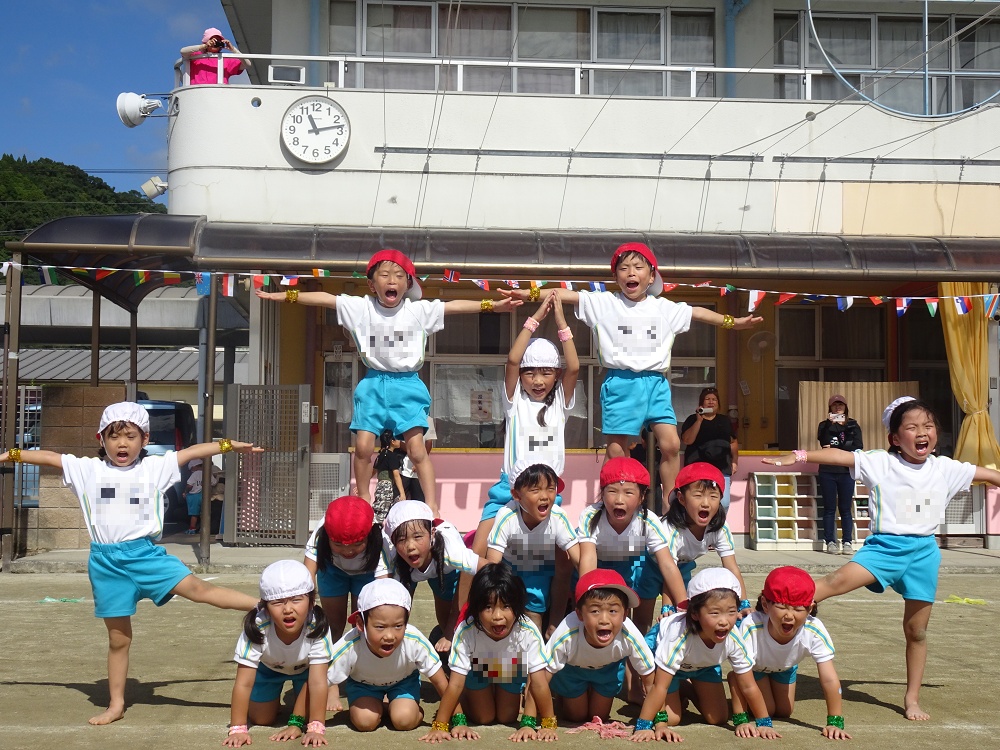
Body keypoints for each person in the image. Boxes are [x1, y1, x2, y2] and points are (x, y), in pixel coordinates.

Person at [0, 402, 262, 725]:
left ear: (145, 439)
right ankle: (116, 704)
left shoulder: (154, 468)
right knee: (118, 639)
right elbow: (50, 457)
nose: (121, 444)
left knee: (199, 590)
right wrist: (12, 454)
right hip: (105, 564)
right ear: (101, 439)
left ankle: (264, 605)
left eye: (130, 436)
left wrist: (228, 445)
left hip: (145, 557)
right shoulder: (87, 470)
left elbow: (192, 451)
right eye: (114, 437)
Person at [764, 396, 1000, 721]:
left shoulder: (946, 468)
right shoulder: (881, 463)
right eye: (912, 427)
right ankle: (765, 613)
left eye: (928, 426)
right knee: (829, 585)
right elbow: (840, 455)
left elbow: (990, 475)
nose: (922, 432)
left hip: (924, 554)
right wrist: (800, 455)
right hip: (884, 549)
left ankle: (912, 698)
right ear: (895, 438)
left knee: (917, 632)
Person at [257, 249, 520, 516]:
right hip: (373, 383)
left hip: (408, 385)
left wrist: (492, 305)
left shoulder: (417, 311)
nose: (391, 280)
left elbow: (453, 306)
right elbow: (326, 298)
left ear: (408, 284)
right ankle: (363, 496)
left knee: (417, 450)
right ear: (372, 284)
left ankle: (432, 504)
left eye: (398, 276)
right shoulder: (362, 308)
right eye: (384, 275)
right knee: (362, 448)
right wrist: (287, 296)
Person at [502, 242, 760, 496]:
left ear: (652, 276)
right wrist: (528, 294)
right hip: (621, 382)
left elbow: (698, 313)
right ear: (616, 277)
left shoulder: (663, 308)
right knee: (617, 449)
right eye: (624, 268)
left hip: (656, 383)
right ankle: (611, 497)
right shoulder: (605, 303)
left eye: (638, 267)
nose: (631, 273)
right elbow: (562, 294)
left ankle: (670, 502)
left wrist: (733, 322)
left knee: (671, 444)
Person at [468, 293, 579, 579]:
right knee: (478, 553)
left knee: (563, 559)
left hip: (547, 491)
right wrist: (536, 318)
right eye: (530, 374)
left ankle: (560, 607)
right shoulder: (514, 402)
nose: (538, 381)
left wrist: (561, 321)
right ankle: (467, 607)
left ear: (556, 375)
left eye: (546, 373)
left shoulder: (560, 404)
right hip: (509, 487)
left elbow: (574, 367)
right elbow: (512, 360)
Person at [631, 568, 780, 742]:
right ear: (694, 613)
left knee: (718, 717)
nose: (724, 621)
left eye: (731, 612)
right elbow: (659, 687)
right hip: (666, 665)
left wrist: (764, 723)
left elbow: (748, 685)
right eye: (715, 613)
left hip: (704, 666)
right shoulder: (678, 636)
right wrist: (644, 726)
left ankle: (685, 687)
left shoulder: (733, 637)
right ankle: (677, 683)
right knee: (671, 719)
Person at [420, 564, 557, 743]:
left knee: (507, 717)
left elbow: (538, 682)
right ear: (476, 608)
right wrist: (441, 725)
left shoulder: (527, 631)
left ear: (518, 606)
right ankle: (464, 697)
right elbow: (455, 684)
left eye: (506, 606)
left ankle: (504, 694)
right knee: (484, 717)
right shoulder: (466, 631)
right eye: (488, 607)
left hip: (510, 668)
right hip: (478, 668)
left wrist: (547, 724)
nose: (497, 616)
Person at [576, 456, 687, 650]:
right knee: (592, 613)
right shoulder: (590, 516)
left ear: (642, 497)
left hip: (633, 565)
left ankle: (637, 651)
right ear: (602, 493)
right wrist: (587, 596)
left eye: (628, 492)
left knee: (639, 617)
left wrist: (684, 606)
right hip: (598, 567)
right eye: (612, 491)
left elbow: (667, 564)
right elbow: (588, 557)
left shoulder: (648, 521)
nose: (619, 500)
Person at [731, 567, 850, 740]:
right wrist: (762, 722)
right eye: (782, 607)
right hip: (753, 669)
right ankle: (735, 683)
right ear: (765, 604)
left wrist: (835, 722)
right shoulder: (751, 627)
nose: (789, 615)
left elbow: (829, 679)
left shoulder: (814, 629)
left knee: (784, 711)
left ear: (810, 609)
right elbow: (744, 672)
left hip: (784, 668)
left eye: (798, 609)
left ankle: (768, 687)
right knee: (768, 709)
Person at [224, 561, 332, 748]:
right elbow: (243, 682)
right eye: (277, 602)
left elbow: (317, 681)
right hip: (268, 670)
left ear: (311, 601)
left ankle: (299, 713)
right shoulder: (257, 627)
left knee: (310, 712)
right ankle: (273, 700)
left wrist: (315, 727)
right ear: (265, 606)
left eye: (296, 600)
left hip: (307, 673)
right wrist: (238, 728)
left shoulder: (318, 626)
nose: (288, 609)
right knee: (261, 719)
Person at [326, 578, 449, 732]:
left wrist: (458, 719)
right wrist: (307, 723)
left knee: (404, 720)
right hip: (363, 686)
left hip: (403, 683)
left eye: (398, 626)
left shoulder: (414, 640)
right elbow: (318, 681)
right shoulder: (350, 645)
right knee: (365, 722)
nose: (389, 636)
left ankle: (406, 708)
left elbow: (440, 682)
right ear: (360, 623)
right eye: (380, 627)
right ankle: (381, 706)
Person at [636, 461, 750, 625]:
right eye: (698, 495)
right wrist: (667, 606)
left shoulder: (720, 527)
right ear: (681, 498)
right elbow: (668, 568)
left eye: (713, 496)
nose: (706, 503)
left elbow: (732, 567)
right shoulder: (671, 529)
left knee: (683, 611)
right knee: (644, 618)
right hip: (649, 564)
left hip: (681, 567)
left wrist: (744, 603)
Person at [303, 495, 388, 711]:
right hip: (332, 571)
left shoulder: (380, 540)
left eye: (357, 544)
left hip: (367, 573)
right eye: (338, 545)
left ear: (368, 535)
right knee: (333, 626)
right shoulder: (320, 534)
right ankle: (331, 682)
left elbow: (383, 593)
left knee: (365, 625)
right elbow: (306, 580)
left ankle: (373, 678)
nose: (348, 551)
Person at [545, 569, 655, 723]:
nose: (604, 619)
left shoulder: (630, 635)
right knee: (576, 717)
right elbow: (539, 677)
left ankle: (589, 692)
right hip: (572, 670)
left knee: (599, 717)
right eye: (595, 611)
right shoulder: (567, 633)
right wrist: (530, 722)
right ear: (579, 614)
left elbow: (651, 682)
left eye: (613, 611)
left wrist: (658, 723)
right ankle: (563, 695)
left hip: (607, 670)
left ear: (625, 614)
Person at [486, 461, 581, 632]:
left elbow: (579, 560)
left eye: (550, 489)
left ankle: (553, 628)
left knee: (533, 623)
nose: (545, 496)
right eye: (535, 490)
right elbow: (493, 564)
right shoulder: (507, 517)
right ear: (516, 495)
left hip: (539, 571)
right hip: (510, 572)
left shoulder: (557, 517)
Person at [383, 500, 482, 653]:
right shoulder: (393, 557)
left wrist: (449, 632)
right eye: (401, 540)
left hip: (446, 569)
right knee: (396, 604)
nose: (410, 546)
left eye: (417, 537)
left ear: (432, 534)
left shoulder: (451, 551)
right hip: (413, 569)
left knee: (451, 623)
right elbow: (392, 606)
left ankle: (446, 633)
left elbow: (486, 567)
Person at [816, 394, 863, 555]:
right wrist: (831, 425)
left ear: (845, 407)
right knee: (829, 508)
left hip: (846, 471)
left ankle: (847, 542)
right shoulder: (824, 425)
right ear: (830, 408)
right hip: (827, 470)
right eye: (834, 405)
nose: (837, 408)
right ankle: (830, 541)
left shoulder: (853, 425)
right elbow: (823, 443)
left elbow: (858, 445)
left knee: (845, 508)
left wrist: (840, 445)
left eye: (840, 405)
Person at [680, 386, 739, 510]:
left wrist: (734, 461)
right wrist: (698, 421)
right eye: (707, 399)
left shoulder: (725, 420)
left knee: (724, 503)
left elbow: (733, 441)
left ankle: (719, 523)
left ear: (718, 403)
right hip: (697, 468)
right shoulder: (692, 419)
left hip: (721, 468)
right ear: (701, 403)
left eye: (714, 399)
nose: (711, 402)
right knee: (697, 503)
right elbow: (687, 440)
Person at [181, 28, 251, 85]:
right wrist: (204, 46)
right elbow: (183, 51)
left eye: (218, 41)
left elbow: (247, 64)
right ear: (206, 41)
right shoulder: (196, 56)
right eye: (212, 40)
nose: (215, 43)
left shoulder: (225, 59)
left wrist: (233, 49)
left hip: (219, 93)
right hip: (199, 92)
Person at [372, 429, 405, 524]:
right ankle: (376, 529)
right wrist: (402, 493)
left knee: (379, 508)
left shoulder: (380, 455)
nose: (400, 441)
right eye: (397, 439)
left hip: (380, 485)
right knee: (383, 513)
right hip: (387, 486)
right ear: (392, 441)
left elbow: (373, 471)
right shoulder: (392, 456)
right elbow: (396, 475)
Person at [400, 418, 435, 503]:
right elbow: (397, 443)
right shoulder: (401, 416)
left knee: (419, 501)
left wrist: (420, 462)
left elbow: (429, 442)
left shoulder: (428, 419)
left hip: (418, 471)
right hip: (403, 468)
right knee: (400, 499)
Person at [184, 459, 205, 535]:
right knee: (204, 513)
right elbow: (214, 482)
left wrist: (185, 492)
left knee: (194, 514)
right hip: (204, 495)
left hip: (194, 495)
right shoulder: (207, 473)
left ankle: (192, 528)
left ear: (194, 467)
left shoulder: (194, 474)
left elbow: (189, 485)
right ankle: (203, 528)